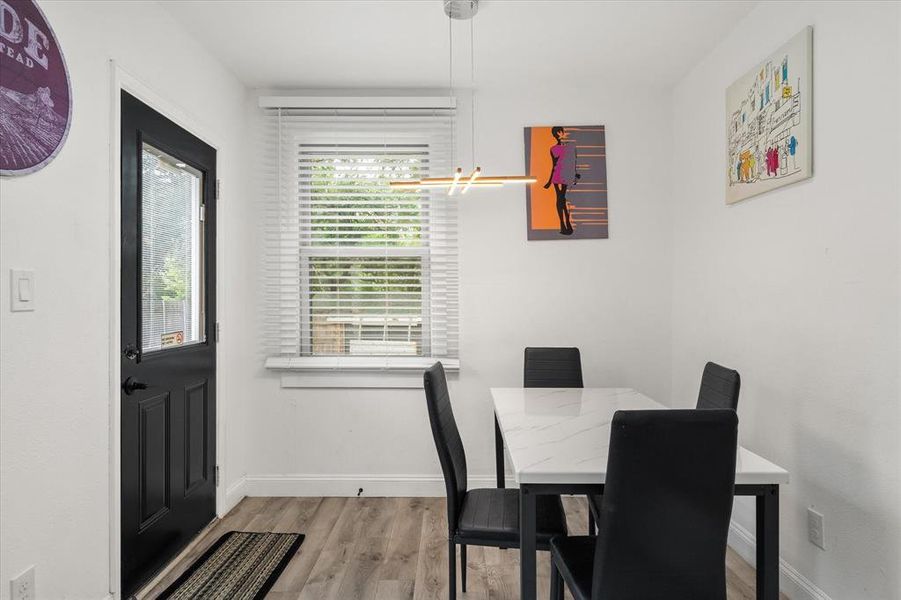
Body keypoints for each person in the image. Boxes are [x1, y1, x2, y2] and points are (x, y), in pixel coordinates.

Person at [543, 126, 580, 235]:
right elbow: (553, 166)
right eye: (559, 132)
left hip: (566, 176)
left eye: (561, 131)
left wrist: (574, 176)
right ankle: (564, 225)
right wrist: (549, 181)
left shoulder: (571, 147)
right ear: (557, 134)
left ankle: (566, 225)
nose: (562, 133)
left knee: (563, 200)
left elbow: (573, 163)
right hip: (557, 177)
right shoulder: (553, 148)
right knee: (560, 200)